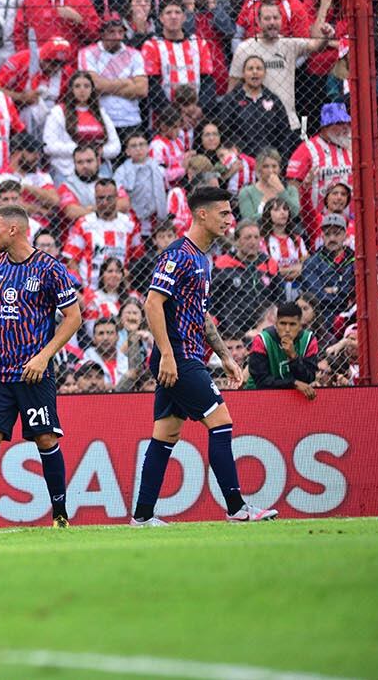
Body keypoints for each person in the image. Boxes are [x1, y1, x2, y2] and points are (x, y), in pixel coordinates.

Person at [133, 186, 279, 526]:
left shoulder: (202, 258)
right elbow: (152, 303)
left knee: (166, 434)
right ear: (202, 214)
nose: (230, 219)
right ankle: (236, 508)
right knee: (221, 422)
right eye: (224, 213)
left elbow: (199, 316)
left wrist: (225, 356)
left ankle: (142, 517)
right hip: (179, 357)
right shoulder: (178, 254)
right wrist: (167, 355)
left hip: (188, 354)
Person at [0, 204, 81, 531]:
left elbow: (73, 318)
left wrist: (44, 356)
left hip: (34, 371)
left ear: (13, 230)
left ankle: (60, 514)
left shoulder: (50, 268)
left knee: (45, 438)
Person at [246, 301, 319, 398]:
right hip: (258, 396)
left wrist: (293, 357)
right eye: (283, 323)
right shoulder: (262, 340)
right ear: (276, 323)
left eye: (292, 324)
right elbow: (261, 381)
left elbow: (309, 378)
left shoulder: (309, 340)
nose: (287, 329)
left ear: (300, 324)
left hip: (294, 396)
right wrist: (293, 383)